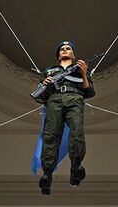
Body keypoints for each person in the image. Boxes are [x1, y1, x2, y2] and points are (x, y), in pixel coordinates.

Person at [37, 40, 95, 195]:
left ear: (73, 54)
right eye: (62, 49)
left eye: (68, 48)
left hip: (74, 99)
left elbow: (89, 92)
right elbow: (40, 96)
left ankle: (76, 165)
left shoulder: (79, 69)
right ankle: (47, 174)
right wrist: (45, 83)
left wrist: (83, 73)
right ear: (58, 55)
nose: (65, 50)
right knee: (50, 135)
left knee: (77, 131)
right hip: (54, 100)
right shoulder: (49, 71)